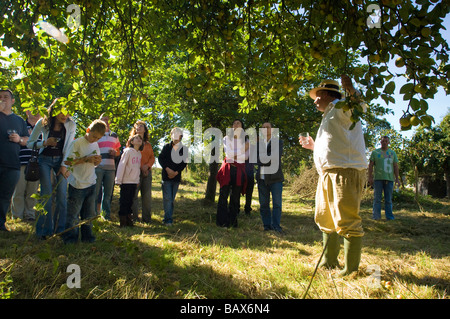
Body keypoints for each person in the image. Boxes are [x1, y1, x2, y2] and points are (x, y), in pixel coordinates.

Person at [300, 75, 367, 276]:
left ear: (327, 94)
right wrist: (314, 146)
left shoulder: (341, 106)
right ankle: (329, 261)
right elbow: (334, 143)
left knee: (347, 219)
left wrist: (351, 89)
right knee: (325, 217)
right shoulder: (330, 114)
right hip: (328, 172)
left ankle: (351, 269)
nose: (314, 100)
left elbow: (360, 108)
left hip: (344, 171)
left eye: (317, 96)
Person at [28, 98, 76, 239]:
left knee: (62, 196)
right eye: (61, 111)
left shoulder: (71, 125)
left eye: (67, 112)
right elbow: (29, 143)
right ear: (54, 110)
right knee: (47, 195)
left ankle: (60, 230)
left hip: (62, 161)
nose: (64, 115)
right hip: (44, 161)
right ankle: (44, 231)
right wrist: (44, 143)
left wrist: (64, 166)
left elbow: (69, 147)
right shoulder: (42, 123)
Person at [62, 120, 105, 243]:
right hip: (77, 183)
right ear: (88, 130)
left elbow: (94, 163)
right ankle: (70, 239)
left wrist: (97, 161)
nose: (94, 139)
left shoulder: (95, 145)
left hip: (91, 182)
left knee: (89, 215)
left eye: (98, 138)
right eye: (93, 136)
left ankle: (88, 238)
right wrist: (85, 159)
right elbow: (68, 162)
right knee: (73, 215)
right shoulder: (77, 143)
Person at [0, 89, 29, 231]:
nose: (3, 99)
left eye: (6, 97)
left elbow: (27, 140)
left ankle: (0, 224)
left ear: (12, 101)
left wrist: (20, 139)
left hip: (12, 164)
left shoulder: (19, 120)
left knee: (5, 195)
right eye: (0, 97)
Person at [216, 119, 248, 228]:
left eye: (238, 123)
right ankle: (222, 222)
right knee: (223, 195)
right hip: (228, 169)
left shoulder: (245, 141)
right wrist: (241, 151)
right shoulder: (226, 138)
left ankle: (233, 222)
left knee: (235, 197)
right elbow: (228, 154)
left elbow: (246, 157)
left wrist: (236, 155)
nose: (236, 125)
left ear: (242, 127)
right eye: (234, 123)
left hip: (239, 171)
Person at [11, 110, 42, 221]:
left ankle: (30, 215)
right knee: (18, 190)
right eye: (33, 109)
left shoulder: (43, 128)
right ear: (27, 111)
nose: (36, 112)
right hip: (21, 162)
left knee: (32, 192)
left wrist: (26, 141)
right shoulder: (20, 125)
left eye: (38, 109)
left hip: (37, 164)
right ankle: (17, 216)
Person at [256, 122, 284, 233]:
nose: (265, 129)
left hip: (275, 178)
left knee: (277, 204)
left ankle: (276, 226)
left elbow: (275, 159)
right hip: (261, 179)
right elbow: (256, 160)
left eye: (267, 127)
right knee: (263, 204)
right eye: (263, 127)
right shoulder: (258, 144)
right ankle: (267, 226)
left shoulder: (279, 142)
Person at [158, 127, 188, 226]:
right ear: (171, 135)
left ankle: (167, 217)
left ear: (181, 136)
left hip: (176, 177)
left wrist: (176, 172)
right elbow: (161, 159)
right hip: (166, 177)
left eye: (178, 134)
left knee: (171, 199)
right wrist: (167, 169)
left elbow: (184, 162)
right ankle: (168, 220)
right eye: (174, 133)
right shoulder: (166, 147)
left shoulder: (184, 149)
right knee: (167, 199)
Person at [94, 113, 121, 220]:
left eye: (107, 120)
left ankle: (106, 215)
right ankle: (93, 215)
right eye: (103, 119)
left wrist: (115, 153)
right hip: (98, 167)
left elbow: (118, 152)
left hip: (110, 168)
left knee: (108, 193)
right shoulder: (96, 134)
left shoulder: (114, 135)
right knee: (95, 192)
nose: (106, 121)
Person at [368, 136, 400, 220]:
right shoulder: (375, 152)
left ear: (388, 142)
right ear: (380, 142)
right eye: (383, 141)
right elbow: (370, 165)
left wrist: (397, 178)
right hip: (378, 178)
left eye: (386, 141)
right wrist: (370, 177)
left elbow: (395, 166)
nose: (384, 143)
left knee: (388, 199)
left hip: (389, 179)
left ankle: (389, 217)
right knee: (377, 199)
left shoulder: (392, 153)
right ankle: (376, 216)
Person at [115, 134, 143, 227]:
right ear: (131, 142)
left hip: (133, 182)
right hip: (126, 181)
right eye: (136, 138)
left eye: (140, 139)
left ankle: (128, 219)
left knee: (130, 201)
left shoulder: (139, 153)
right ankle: (122, 221)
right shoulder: (127, 151)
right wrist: (118, 179)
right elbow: (122, 165)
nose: (139, 140)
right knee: (124, 201)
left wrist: (137, 179)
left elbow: (137, 168)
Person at [130, 121, 155, 223]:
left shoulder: (148, 144)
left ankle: (147, 219)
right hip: (134, 172)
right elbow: (130, 156)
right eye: (137, 126)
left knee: (146, 196)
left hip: (146, 173)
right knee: (134, 196)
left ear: (145, 129)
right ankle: (134, 218)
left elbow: (152, 158)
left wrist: (147, 167)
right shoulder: (131, 142)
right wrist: (141, 167)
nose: (139, 128)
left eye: (141, 126)